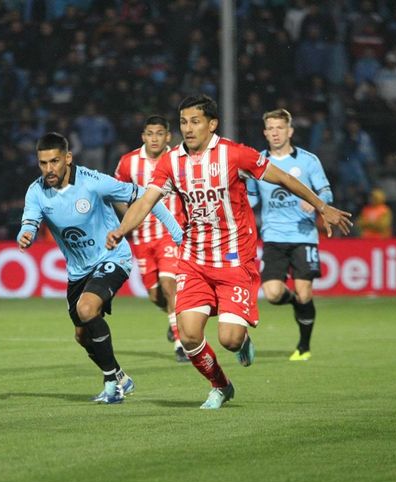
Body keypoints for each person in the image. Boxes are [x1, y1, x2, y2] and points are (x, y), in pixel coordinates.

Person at [107, 95, 352, 409]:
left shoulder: (234, 155)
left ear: (212, 124)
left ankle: (242, 341)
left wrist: (322, 207)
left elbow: (286, 178)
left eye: (195, 121)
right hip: (193, 260)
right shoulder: (171, 161)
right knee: (189, 334)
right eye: (183, 122)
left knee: (229, 339)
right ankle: (220, 386)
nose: (188, 128)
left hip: (234, 260)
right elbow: (144, 201)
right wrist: (121, 229)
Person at [17, 132, 183, 404]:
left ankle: (111, 385)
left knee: (86, 309)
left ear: (68, 158)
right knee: (82, 336)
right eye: (43, 163)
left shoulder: (94, 182)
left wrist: (176, 233)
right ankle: (120, 377)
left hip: (113, 257)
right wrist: (25, 234)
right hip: (78, 271)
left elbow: (147, 197)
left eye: (55, 161)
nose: (49, 169)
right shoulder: (36, 191)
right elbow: (30, 221)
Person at [245, 108, 334, 362]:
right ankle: (296, 303)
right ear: (264, 132)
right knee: (273, 294)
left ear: (290, 131)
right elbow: (251, 197)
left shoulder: (307, 161)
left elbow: (326, 191)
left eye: (279, 128)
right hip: (273, 236)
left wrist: (316, 202)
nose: (275, 133)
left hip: (303, 236)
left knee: (306, 291)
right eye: (270, 128)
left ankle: (303, 347)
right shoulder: (258, 162)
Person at [114, 115, 188, 362]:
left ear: (168, 136)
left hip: (171, 235)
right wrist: (130, 219)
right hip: (143, 239)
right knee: (156, 295)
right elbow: (117, 193)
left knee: (170, 286)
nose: (154, 138)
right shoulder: (129, 162)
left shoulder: (180, 158)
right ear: (143, 136)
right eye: (149, 133)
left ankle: (181, 344)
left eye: (159, 133)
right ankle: (173, 315)